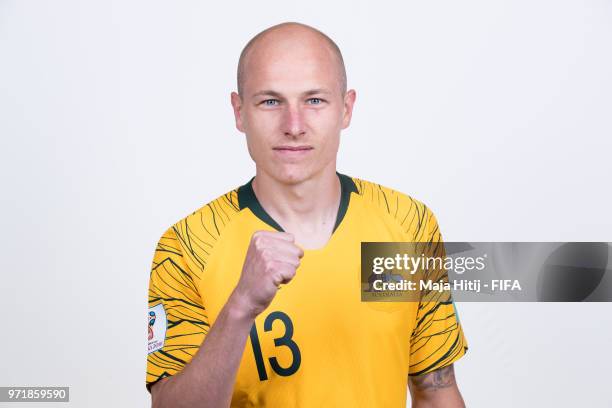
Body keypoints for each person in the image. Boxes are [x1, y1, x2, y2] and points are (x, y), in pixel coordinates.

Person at [146, 22, 468, 407]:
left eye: (314, 100)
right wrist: (240, 306)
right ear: (239, 112)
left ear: (346, 109)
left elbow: (436, 393)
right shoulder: (187, 247)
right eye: (270, 101)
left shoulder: (407, 225)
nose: (293, 126)